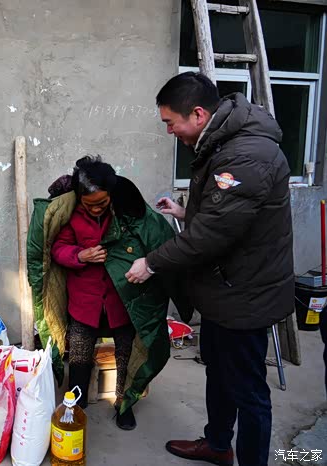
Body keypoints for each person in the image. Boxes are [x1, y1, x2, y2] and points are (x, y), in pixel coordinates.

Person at [125, 72, 294, 466]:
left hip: (245, 294)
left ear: (198, 114)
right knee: (218, 372)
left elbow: (211, 235)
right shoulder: (222, 144)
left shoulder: (246, 155)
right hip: (224, 289)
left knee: (248, 390)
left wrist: (151, 262)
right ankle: (218, 444)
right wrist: (186, 213)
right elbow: (229, 216)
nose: (169, 131)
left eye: (171, 122)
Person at [49, 155, 184, 430]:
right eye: (89, 204)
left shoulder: (127, 213)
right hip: (84, 301)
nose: (96, 208)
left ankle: (124, 404)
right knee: (79, 355)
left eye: (102, 202)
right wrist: (80, 255)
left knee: (126, 355)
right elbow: (58, 249)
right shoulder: (71, 215)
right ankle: (77, 402)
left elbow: (153, 241)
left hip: (122, 299)